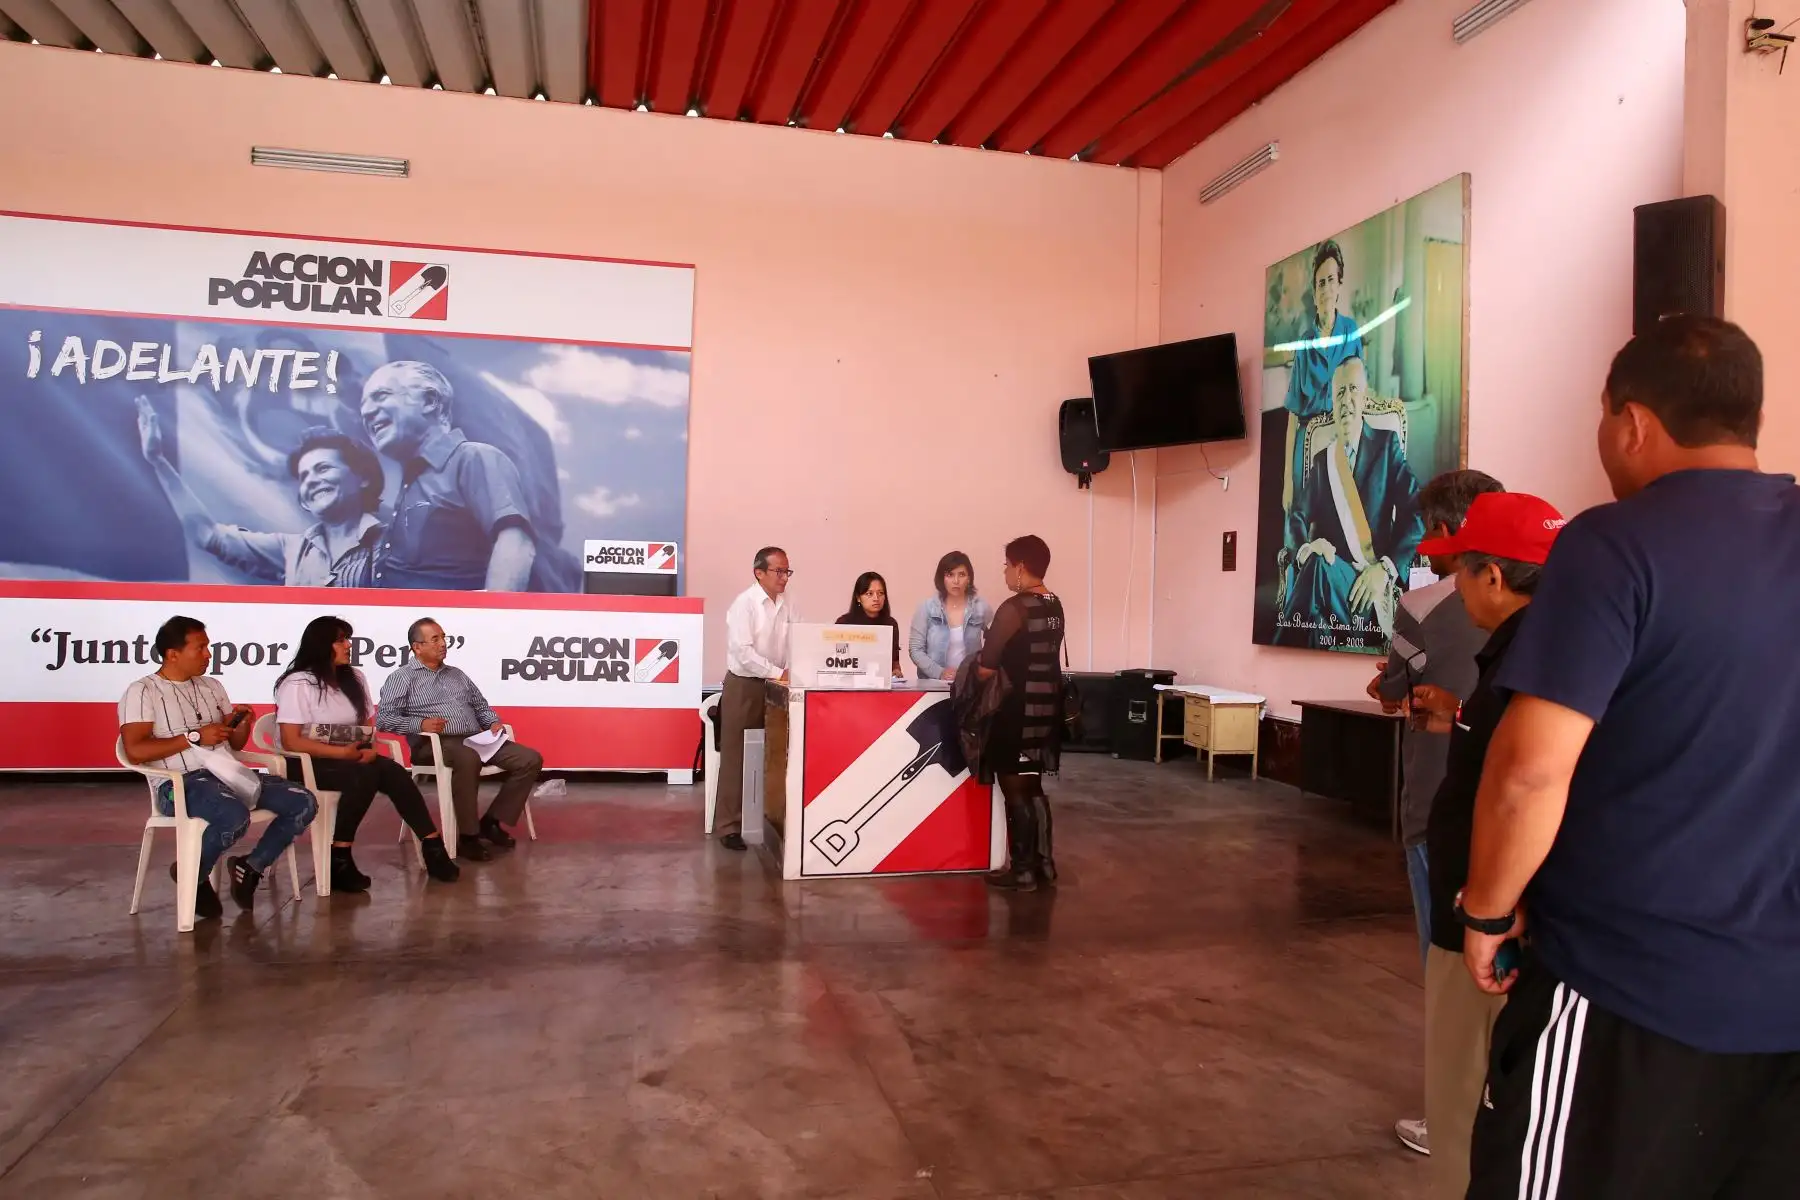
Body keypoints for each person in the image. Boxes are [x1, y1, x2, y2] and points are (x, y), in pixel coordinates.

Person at [1462, 317, 1800, 1198]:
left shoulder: (1614, 544)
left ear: (1633, 424)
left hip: (1627, 989)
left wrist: (1488, 909)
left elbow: (1530, 770)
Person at [1392, 492, 1562, 1200]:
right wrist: (1461, 713)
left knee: (1464, 1086)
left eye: (1460, 571)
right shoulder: (1554, 650)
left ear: (1493, 576)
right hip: (1499, 911)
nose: (1455, 589)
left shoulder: (1530, 657)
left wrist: (1487, 910)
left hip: (1483, 920)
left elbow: (1525, 783)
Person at [1370, 468, 1502, 1160]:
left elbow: (1395, 684)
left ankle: (1452, 1118)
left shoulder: (1424, 606)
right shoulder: (1549, 608)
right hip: (1513, 817)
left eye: (1430, 531)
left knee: (1448, 967)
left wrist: (1407, 689)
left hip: (1439, 805)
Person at [118, 615, 318, 917]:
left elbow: (234, 743)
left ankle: (250, 867)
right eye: (199, 648)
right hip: (179, 784)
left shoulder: (212, 686)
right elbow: (135, 751)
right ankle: (194, 874)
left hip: (228, 775)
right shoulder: (142, 691)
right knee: (233, 816)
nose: (208, 654)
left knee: (303, 802)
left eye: (208, 646)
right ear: (173, 654)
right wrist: (194, 737)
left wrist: (240, 723)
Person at [275, 615, 459, 887]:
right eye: (340, 641)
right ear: (321, 645)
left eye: (347, 640)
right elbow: (291, 741)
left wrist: (369, 749)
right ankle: (340, 856)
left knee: (395, 773)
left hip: (350, 757)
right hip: (306, 762)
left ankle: (432, 846)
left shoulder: (355, 678)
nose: (348, 645)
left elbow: (366, 727)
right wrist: (343, 755)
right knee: (363, 776)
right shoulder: (298, 684)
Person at [138, 404, 386, 588]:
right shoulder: (290, 550)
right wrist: (158, 461)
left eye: (323, 468)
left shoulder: (396, 544)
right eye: (303, 476)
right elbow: (205, 533)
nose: (310, 480)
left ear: (363, 477)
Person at [1281, 355, 1423, 647]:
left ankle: (1276, 650)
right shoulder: (1324, 462)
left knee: (1313, 616)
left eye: (1353, 389)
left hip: (1370, 591)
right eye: (1339, 393)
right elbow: (1297, 517)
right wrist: (1307, 548)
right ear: (1333, 403)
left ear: (1365, 394)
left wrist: (1385, 569)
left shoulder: (1386, 446)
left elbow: (1417, 512)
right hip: (1332, 581)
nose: (1346, 401)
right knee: (1318, 566)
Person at [360, 360, 537, 592]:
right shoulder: (410, 481)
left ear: (429, 401)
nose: (366, 411)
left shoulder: (473, 458)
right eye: (363, 404)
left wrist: (494, 612)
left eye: (381, 396)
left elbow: (515, 542)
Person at [376, 616, 544, 860]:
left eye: (443, 638)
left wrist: (492, 722)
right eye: (435, 639)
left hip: (476, 739)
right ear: (417, 647)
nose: (443, 644)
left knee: (529, 758)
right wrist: (420, 724)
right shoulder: (402, 678)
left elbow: (480, 706)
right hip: (434, 744)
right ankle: (468, 837)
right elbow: (384, 719)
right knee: (468, 757)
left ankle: (491, 821)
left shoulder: (457, 674)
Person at [1278, 240, 1365, 606]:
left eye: (1331, 280)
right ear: (1314, 292)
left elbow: (1359, 392)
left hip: (1340, 438)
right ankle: (1297, 595)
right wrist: (1287, 477)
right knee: (1297, 514)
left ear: (1339, 285)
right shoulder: (1305, 341)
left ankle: (1335, 589)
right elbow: (1293, 414)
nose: (1326, 288)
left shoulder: (1351, 332)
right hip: (1307, 440)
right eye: (1320, 283)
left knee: (1337, 516)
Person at [978, 535, 1066, 892]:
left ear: (1020, 567)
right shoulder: (1054, 604)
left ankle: (1023, 870)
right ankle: (1045, 864)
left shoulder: (1014, 608)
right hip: (1046, 710)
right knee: (1034, 786)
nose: (1004, 572)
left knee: (1014, 788)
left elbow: (987, 666)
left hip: (1016, 711)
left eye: (1007, 565)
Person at [716, 547, 796, 851]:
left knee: (776, 753)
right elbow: (743, 652)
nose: (784, 577)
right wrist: (777, 672)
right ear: (759, 572)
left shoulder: (788, 604)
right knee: (736, 756)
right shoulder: (745, 604)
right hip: (745, 686)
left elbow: (797, 640)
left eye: (787, 571)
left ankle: (773, 820)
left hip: (778, 687)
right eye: (778, 571)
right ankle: (729, 826)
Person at [908, 551, 991, 681]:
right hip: (933, 683)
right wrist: (940, 673)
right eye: (950, 575)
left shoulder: (981, 607)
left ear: (969, 578)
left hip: (969, 684)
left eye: (961, 575)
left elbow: (996, 642)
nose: (956, 581)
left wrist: (981, 669)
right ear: (942, 578)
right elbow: (915, 649)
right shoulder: (927, 608)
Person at [836, 571, 903, 678]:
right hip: (850, 679)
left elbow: (895, 661)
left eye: (880, 593)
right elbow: (837, 659)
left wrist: (896, 670)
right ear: (858, 597)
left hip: (881, 680)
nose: (876, 598)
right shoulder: (844, 623)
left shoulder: (891, 624)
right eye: (869, 594)